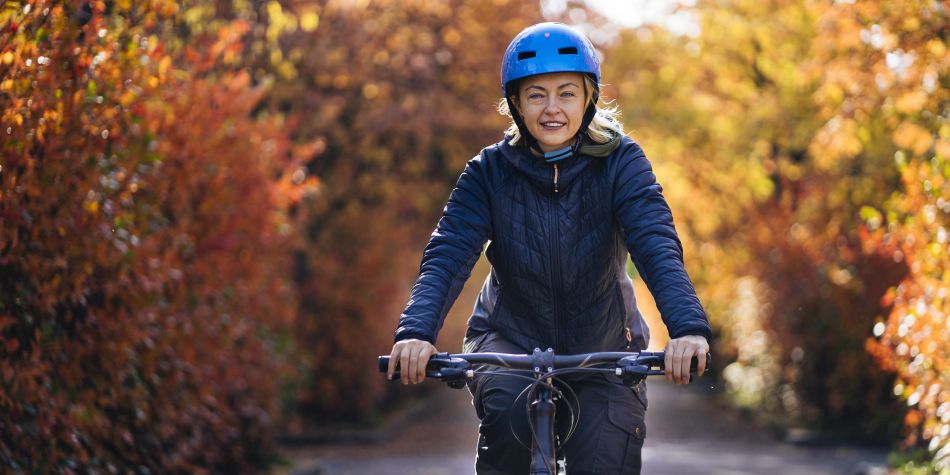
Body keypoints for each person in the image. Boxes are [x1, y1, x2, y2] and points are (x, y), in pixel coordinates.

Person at [386, 22, 712, 474]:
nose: (552, 108)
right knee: (507, 420)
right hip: (509, 341)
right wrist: (416, 333)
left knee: (605, 458)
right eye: (536, 94)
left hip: (606, 346)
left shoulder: (622, 163)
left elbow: (655, 245)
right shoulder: (488, 172)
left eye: (566, 93)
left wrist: (687, 328)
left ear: (589, 98)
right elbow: (448, 253)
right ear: (516, 104)